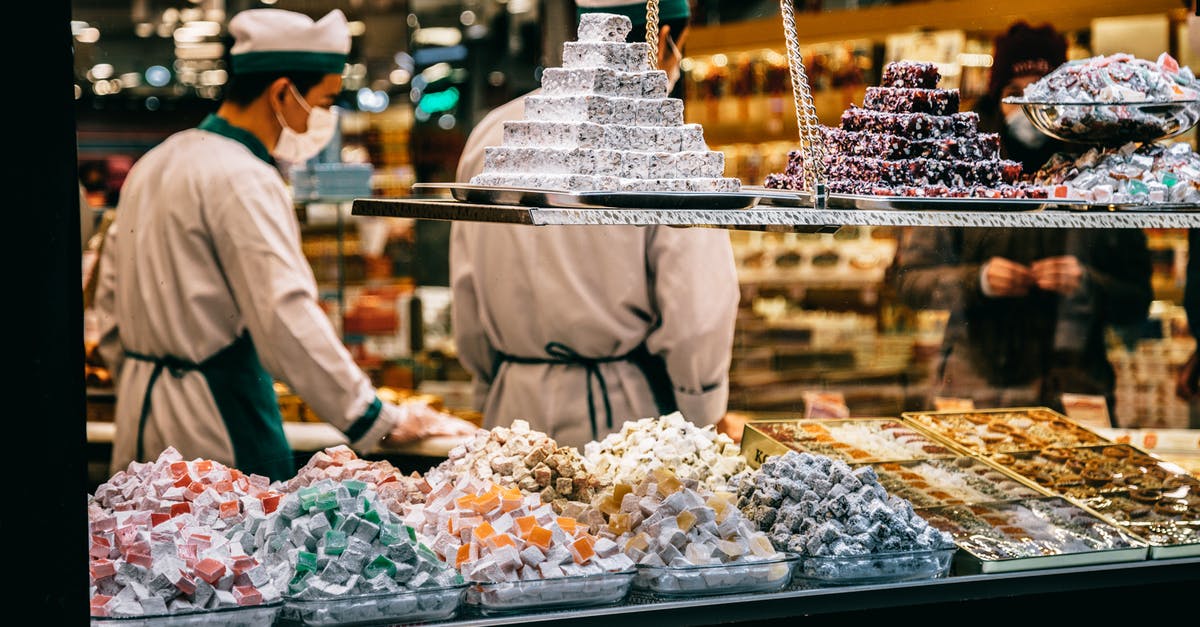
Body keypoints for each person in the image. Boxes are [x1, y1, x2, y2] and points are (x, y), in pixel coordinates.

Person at [94, 8, 475, 480]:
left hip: (138, 413)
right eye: (324, 100)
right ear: (280, 92)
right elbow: (285, 314)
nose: (327, 118)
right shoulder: (245, 177)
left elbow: (106, 314)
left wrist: (149, 368)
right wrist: (375, 417)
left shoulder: (153, 163)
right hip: (217, 424)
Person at [450, 0, 743, 447]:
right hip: (619, 421)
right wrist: (704, 413)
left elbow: (466, 295)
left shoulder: (490, 134)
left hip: (509, 411)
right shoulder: (668, 148)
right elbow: (696, 314)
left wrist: (490, 386)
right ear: (662, 39)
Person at [890, 22, 1154, 424]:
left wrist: (1087, 284)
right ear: (997, 98)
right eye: (1015, 94)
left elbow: (1138, 299)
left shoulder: (1103, 171)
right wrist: (975, 281)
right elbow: (907, 281)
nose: (1028, 107)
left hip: (1073, 388)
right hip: (976, 387)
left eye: (1042, 92)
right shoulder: (962, 169)